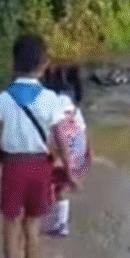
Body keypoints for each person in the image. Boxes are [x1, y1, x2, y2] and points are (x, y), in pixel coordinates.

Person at [0, 35, 76, 258]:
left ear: (14, 63)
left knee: (10, 226)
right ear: (44, 65)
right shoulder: (50, 99)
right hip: (40, 168)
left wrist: (0, 156)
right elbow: (61, 139)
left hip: (13, 167)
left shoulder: (2, 99)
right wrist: (69, 171)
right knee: (33, 226)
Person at [41, 66, 89, 237]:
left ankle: (57, 221)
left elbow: (51, 134)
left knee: (52, 184)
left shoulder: (49, 105)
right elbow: (83, 132)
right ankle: (61, 222)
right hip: (77, 156)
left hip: (60, 156)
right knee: (61, 188)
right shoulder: (74, 108)